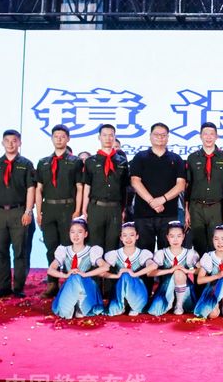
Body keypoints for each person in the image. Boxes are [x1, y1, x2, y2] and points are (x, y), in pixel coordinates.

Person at [0, 129, 36, 299]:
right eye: (7, 141)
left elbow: (31, 188)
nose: (11, 144)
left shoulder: (26, 164)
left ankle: (18, 287)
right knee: (1, 251)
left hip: (19, 211)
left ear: (19, 143)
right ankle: (4, 287)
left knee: (20, 252)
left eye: (14, 141)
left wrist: (28, 211)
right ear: (2, 143)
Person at [36, 125, 84, 298]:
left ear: (68, 139)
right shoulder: (43, 162)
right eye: (56, 136)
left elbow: (80, 187)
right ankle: (52, 283)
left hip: (68, 208)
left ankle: (71, 283)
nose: (59, 139)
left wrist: (77, 210)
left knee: (69, 247)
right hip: (49, 208)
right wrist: (38, 212)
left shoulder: (75, 161)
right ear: (52, 138)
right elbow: (38, 188)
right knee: (51, 247)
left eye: (62, 136)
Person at [129, 123, 186, 254]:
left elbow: (181, 184)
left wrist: (162, 200)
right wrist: (151, 201)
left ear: (168, 137)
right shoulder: (140, 157)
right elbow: (135, 181)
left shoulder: (176, 159)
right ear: (150, 136)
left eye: (163, 135)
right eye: (156, 134)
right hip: (143, 213)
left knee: (167, 253)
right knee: (143, 254)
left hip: (168, 213)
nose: (160, 137)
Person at [185, 122, 223, 255]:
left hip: (217, 207)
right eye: (205, 134)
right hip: (196, 207)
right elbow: (188, 186)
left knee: (217, 244)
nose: (208, 137)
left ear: (216, 136)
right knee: (198, 244)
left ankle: (216, 268)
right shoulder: (192, 158)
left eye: (212, 134)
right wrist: (186, 210)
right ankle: (200, 269)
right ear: (200, 136)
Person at [82, 124, 130, 257]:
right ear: (99, 137)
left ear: (114, 137)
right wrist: (84, 209)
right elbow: (87, 186)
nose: (108, 138)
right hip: (95, 207)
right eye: (104, 135)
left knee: (112, 245)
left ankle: (110, 271)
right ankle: (96, 271)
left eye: (111, 135)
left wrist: (123, 209)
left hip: (115, 208)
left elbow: (125, 188)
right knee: (95, 245)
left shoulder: (122, 161)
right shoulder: (91, 161)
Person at [47, 218, 109, 319]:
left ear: (85, 234)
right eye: (73, 232)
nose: (75, 235)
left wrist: (85, 274)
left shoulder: (91, 251)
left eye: (79, 232)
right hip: (70, 285)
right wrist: (65, 275)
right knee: (65, 312)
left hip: (86, 285)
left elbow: (105, 267)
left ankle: (82, 307)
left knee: (76, 277)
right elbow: (50, 270)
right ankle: (72, 306)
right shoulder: (64, 250)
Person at [147, 221, 200, 316]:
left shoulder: (190, 254)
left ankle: (179, 305)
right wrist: (170, 270)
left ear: (183, 236)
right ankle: (169, 303)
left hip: (185, 290)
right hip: (166, 289)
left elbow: (202, 271)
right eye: (172, 236)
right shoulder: (161, 253)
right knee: (155, 310)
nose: (175, 240)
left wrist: (187, 271)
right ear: (167, 237)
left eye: (179, 236)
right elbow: (150, 273)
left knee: (178, 272)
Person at [104, 222, 155, 316]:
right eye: (125, 235)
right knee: (112, 310)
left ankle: (135, 306)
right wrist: (116, 276)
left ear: (137, 236)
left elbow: (153, 266)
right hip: (119, 292)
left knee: (126, 275)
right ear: (121, 238)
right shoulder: (115, 254)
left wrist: (134, 274)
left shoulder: (142, 254)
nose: (128, 239)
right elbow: (102, 271)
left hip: (138, 292)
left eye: (131, 235)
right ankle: (122, 304)